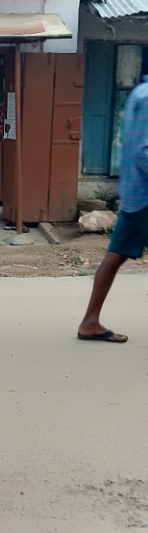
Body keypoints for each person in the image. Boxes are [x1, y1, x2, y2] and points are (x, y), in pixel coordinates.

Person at [78, 75, 148, 343]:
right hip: (144, 195)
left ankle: (90, 322)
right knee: (113, 257)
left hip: (134, 194)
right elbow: (143, 152)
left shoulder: (139, 93)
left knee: (114, 256)